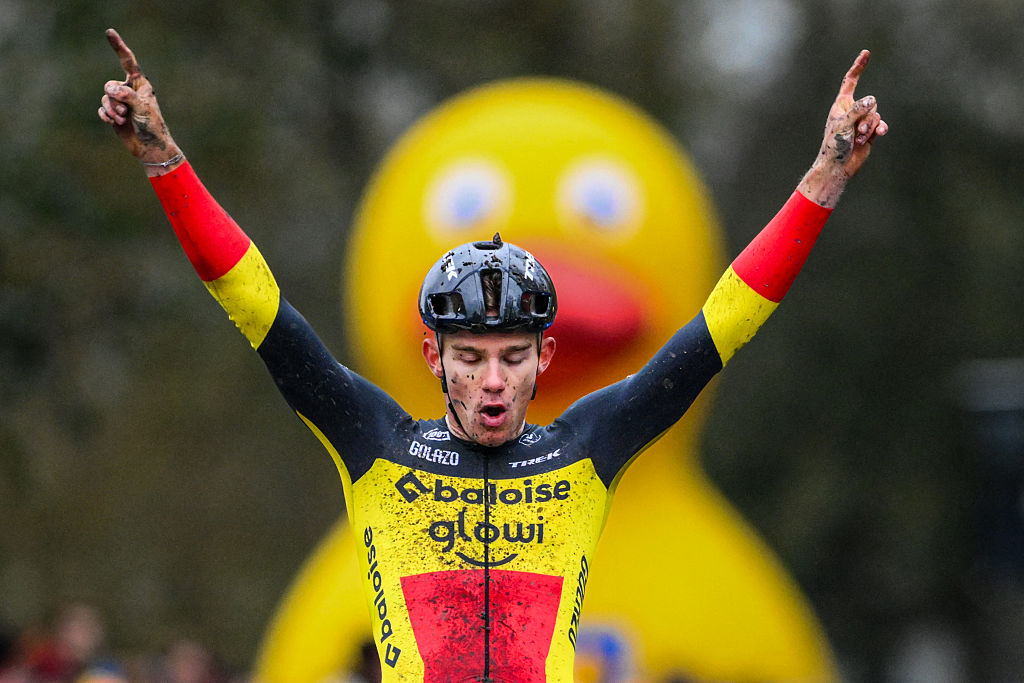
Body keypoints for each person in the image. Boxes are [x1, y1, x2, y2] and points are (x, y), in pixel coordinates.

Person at [98, 28, 886, 682]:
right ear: (433, 356)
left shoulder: (585, 446)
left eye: (513, 355)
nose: (494, 381)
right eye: (470, 357)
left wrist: (824, 177)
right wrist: (164, 159)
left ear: (546, 354)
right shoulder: (376, 443)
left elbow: (725, 323)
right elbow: (254, 303)